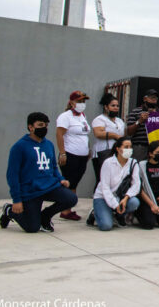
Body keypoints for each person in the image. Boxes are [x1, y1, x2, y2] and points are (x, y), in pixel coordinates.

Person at [1, 112, 78, 233]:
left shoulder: (49, 145)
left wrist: (60, 179)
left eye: (46, 125)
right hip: (30, 191)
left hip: (49, 186)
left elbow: (53, 167)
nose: (44, 128)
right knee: (32, 228)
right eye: (40, 125)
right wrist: (16, 200)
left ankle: (45, 216)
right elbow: (12, 175)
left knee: (71, 198)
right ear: (31, 127)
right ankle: (9, 211)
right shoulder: (19, 147)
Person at [89, 137, 141, 231]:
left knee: (134, 202)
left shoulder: (133, 163)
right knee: (106, 226)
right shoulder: (108, 163)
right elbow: (105, 188)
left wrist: (126, 198)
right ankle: (94, 213)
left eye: (130, 147)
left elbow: (136, 184)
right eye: (126, 147)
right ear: (118, 149)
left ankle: (119, 215)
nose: (129, 149)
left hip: (121, 196)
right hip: (103, 197)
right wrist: (115, 205)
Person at [56, 90, 91, 221]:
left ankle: (68, 208)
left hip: (82, 156)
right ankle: (65, 209)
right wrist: (62, 152)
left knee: (75, 183)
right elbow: (59, 134)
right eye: (79, 101)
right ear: (72, 102)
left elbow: (84, 134)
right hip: (70, 154)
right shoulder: (65, 116)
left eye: (83, 101)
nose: (82, 104)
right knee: (69, 182)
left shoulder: (82, 116)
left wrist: (87, 150)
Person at [135, 141, 159, 230]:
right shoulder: (142, 165)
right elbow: (141, 189)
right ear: (151, 154)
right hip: (146, 199)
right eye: (157, 152)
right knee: (149, 224)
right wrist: (152, 205)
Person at [91, 93, 126, 186]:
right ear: (106, 107)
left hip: (117, 153)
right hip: (102, 152)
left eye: (117, 106)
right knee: (102, 179)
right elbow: (98, 133)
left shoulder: (120, 121)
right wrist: (115, 136)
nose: (116, 108)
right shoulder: (100, 119)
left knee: (115, 179)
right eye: (113, 105)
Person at [125, 89, 159, 161]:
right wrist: (139, 121)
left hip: (156, 147)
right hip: (140, 147)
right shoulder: (135, 112)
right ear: (145, 99)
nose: (154, 100)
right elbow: (129, 132)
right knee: (138, 168)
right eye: (152, 98)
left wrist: (157, 117)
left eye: (155, 98)